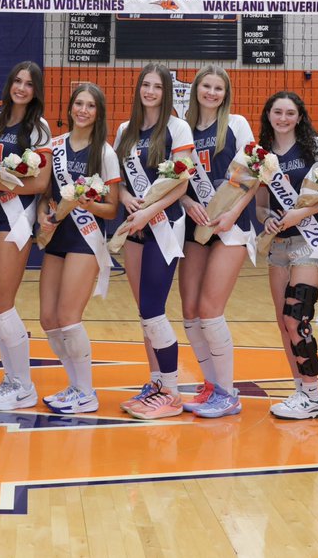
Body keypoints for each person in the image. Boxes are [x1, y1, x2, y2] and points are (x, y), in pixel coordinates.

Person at [0, 61, 52, 411]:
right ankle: (10, 380)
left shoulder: (39, 128)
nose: (21, 88)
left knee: (3, 303)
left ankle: (24, 385)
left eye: (28, 84)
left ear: (36, 91)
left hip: (14, 219)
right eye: (17, 81)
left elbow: (41, 182)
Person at [176, 66, 258, 419]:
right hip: (197, 226)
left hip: (232, 225)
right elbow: (173, 180)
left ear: (226, 94)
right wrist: (186, 202)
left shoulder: (237, 124)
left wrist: (232, 214)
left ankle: (227, 392)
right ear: (196, 90)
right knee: (190, 311)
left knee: (210, 309)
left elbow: (254, 176)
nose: (211, 92)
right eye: (206, 86)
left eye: (218, 88)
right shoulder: (182, 129)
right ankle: (210, 385)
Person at [113, 63, 194, 420]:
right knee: (144, 312)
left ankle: (172, 393)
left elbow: (181, 183)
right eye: (145, 85)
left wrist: (150, 210)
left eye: (157, 87)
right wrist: (124, 198)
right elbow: (114, 177)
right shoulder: (124, 130)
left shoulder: (178, 127)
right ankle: (157, 384)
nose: (149, 92)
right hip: (134, 227)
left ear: (166, 92)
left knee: (153, 309)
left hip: (164, 225)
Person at [256, 91, 318, 420]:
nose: (284, 118)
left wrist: (298, 215)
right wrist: (268, 218)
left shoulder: (315, 147)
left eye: (290, 113)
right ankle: (300, 392)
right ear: (269, 115)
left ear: (300, 117)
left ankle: (313, 393)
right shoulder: (262, 156)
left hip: (309, 241)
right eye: (277, 112)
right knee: (283, 323)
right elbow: (261, 205)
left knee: (297, 319)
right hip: (279, 245)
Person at [37, 83, 120, 414]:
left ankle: (86, 391)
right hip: (57, 237)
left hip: (85, 241)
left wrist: (88, 202)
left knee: (68, 316)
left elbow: (112, 209)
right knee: (47, 318)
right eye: (78, 104)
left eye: (90, 105)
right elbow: (46, 192)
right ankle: (74, 386)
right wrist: (45, 212)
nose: (83, 110)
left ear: (98, 113)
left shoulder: (104, 153)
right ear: (70, 108)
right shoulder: (55, 147)